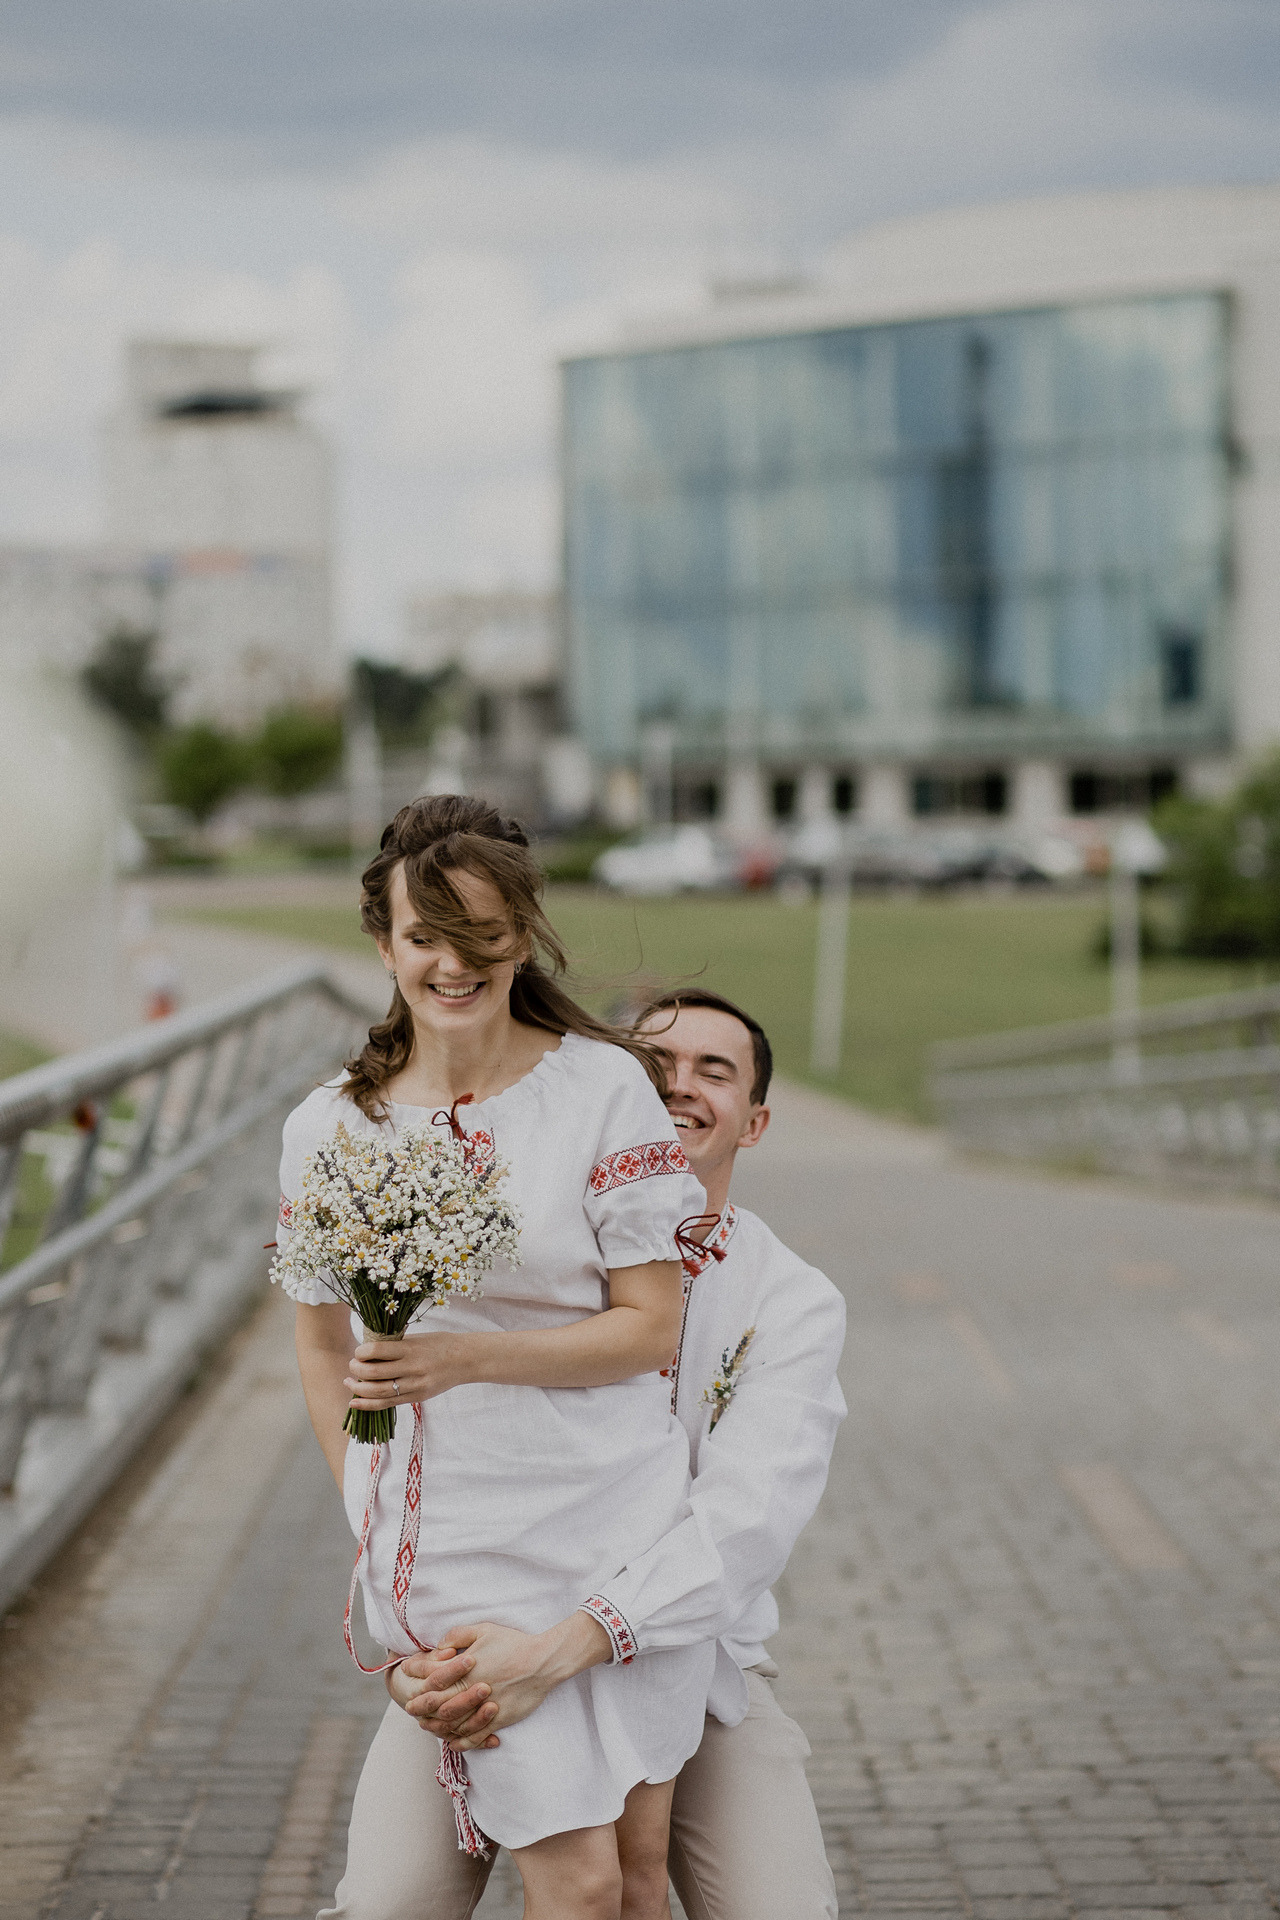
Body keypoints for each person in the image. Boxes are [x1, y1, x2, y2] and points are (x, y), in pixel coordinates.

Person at [284, 796, 719, 1920]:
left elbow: (649, 1329)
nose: (452, 963)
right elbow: (320, 1335)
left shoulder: (602, 1089)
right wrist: (366, 1500)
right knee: (571, 1883)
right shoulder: (331, 1126)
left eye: (479, 935)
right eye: (424, 937)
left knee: (631, 1876)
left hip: (617, 1523)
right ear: (383, 944)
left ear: (520, 935)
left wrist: (462, 1360)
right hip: (465, 1544)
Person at [371, 989, 847, 1920]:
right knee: (389, 1902)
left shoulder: (791, 1301)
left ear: (754, 1121)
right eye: (654, 1063)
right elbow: (418, 1456)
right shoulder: (516, 1250)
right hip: (488, 1628)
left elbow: (743, 1526)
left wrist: (564, 1650)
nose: (680, 1085)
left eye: (716, 1070)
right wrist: (404, 1652)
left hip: (684, 1649)